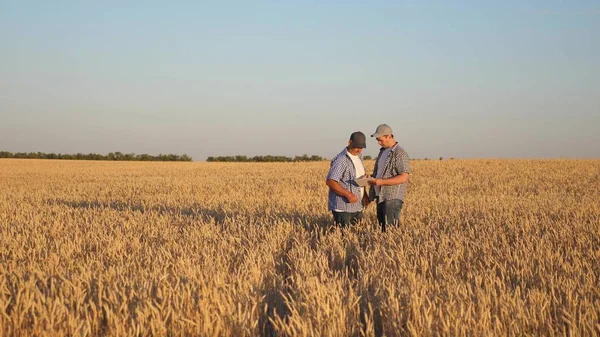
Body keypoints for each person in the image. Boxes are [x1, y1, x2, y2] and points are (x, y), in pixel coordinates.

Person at [368, 124, 410, 232]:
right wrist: (370, 178)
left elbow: (404, 177)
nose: (378, 143)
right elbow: (380, 173)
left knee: (391, 231)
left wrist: (379, 182)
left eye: (380, 140)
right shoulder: (382, 152)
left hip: (392, 197)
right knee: (383, 231)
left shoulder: (399, 153)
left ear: (388, 136)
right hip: (380, 197)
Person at [326, 131, 371, 227]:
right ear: (349, 142)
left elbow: (359, 179)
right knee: (344, 237)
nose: (359, 150)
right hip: (344, 208)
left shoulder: (359, 157)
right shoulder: (341, 160)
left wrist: (365, 195)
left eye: (361, 147)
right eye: (357, 146)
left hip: (358, 206)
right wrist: (348, 194)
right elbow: (331, 181)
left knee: (356, 237)